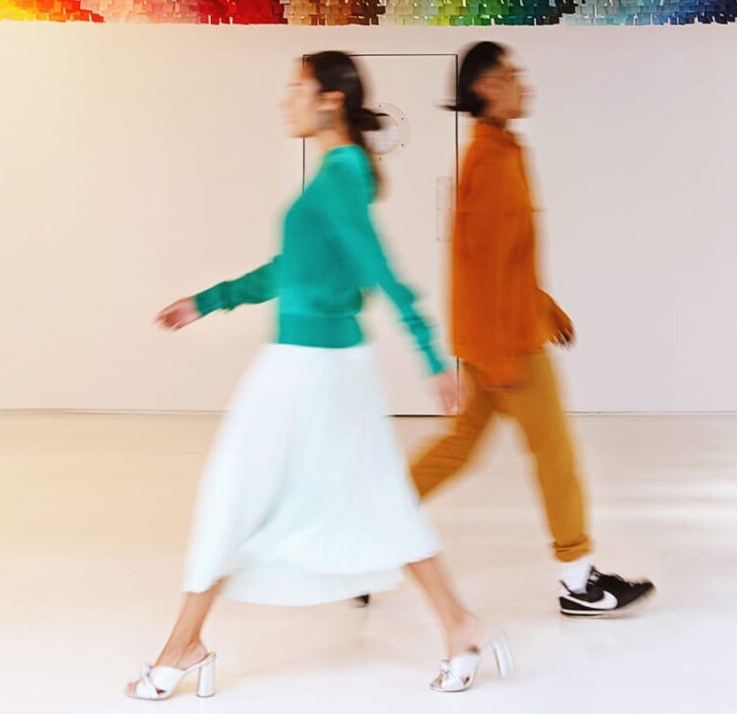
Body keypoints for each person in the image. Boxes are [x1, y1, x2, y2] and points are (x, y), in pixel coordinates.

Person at [125, 51, 512, 700]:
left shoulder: (340, 175)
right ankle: (461, 626)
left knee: (236, 491)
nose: (287, 101)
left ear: (331, 98)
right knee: (369, 497)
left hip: (312, 369)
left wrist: (429, 354)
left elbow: (380, 266)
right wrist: (209, 300)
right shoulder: (337, 175)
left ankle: (182, 646)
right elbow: (288, 270)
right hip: (317, 365)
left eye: (296, 89)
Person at [408, 42, 655, 617]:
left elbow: (510, 260)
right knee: (556, 455)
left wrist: (547, 307)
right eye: (513, 76)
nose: (525, 84)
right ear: (488, 87)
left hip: (504, 337)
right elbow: (481, 268)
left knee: (458, 449)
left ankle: (367, 527)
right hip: (507, 348)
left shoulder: (504, 150)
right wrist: (497, 357)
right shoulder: (489, 162)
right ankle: (580, 583)